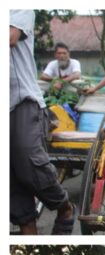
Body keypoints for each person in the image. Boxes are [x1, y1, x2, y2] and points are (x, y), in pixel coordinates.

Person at [10, 10, 75, 235]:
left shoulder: (18, 9)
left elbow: (9, 37)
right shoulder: (52, 67)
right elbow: (47, 77)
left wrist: (63, 82)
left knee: (28, 162)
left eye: (64, 53)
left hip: (22, 100)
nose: (61, 55)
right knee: (11, 183)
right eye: (58, 53)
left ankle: (64, 206)